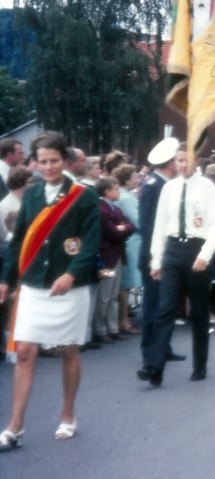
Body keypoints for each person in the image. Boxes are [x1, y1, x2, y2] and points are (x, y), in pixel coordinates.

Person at [0, 132, 100, 451]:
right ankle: (16, 425)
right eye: (42, 161)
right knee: (25, 352)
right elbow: (18, 243)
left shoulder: (83, 195)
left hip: (68, 287)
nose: (48, 167)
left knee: (67, 351)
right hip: (34, 285)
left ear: (65, 160)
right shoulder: (30, 196)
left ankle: (68, 415)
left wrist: (72, 273)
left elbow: (91, 240)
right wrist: (6, 278)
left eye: (54, 160)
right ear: (35, 163)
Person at [137, 143, 215, 387]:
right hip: (173, 250)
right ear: (174, 161)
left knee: (198, 309)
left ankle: (200, 364)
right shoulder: (169, 188)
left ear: (196, 161)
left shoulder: (206, 187)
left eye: (187, 160)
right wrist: (157, 259)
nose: (183, 165)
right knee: (166, 309)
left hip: (197, 249)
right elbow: (161, 225)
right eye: (179, 160)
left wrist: (205, 254)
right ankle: (154, 366)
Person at [136, 138, 185, 364]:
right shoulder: (153, 187)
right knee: (153, 305)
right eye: (177, 160)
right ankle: (150, 352)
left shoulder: (166, 185)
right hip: (154, 256)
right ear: (169, 163)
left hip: (166, 255)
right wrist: (153, 258)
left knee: (165, 306)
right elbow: (147, 227)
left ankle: (163, 348)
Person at [92, 177, 137, 344]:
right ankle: (100, 330)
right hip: (107, 255)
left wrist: (122, 227)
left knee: (113, 295)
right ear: (107, 192)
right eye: (116, 189)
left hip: (117, 254)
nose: (119, 192)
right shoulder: (102, 210)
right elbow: (112, 232)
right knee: (104, 296)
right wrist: (122, 227)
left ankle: (112, 328)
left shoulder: (115, 209)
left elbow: (130, 225)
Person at [112, 165, 143, 336]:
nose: (137, 179)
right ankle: (123, 321)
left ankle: (122, 318)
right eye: (134, 176)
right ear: (126, 179)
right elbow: (137, 220)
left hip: (132, 242)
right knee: (126, 284)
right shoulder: (125, 198)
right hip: (131, 243)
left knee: (127, 283)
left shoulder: (127, 195)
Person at [0, 138, 26, 202]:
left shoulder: (8, 171)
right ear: (9, 155)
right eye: (20, 153)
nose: (24, 157)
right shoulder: (3, 176)